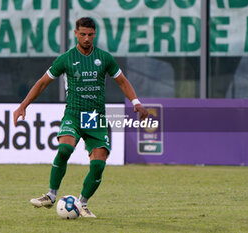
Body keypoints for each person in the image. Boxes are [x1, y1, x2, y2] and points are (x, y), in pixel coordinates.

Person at [13, 17, 148, 218]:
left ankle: (82, 204)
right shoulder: (66, 58)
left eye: (90, 35)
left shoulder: (104, 58)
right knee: (65, 148)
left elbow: (121, 81)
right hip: (74, 114)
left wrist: (136, 102)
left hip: (95, 117)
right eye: (82, 34)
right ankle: (51, 196)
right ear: (75, 33)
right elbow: (42, 83)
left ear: (95, 35)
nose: (86, 38)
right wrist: (23, 105)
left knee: (98, 164)